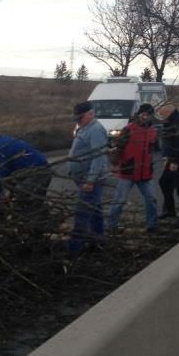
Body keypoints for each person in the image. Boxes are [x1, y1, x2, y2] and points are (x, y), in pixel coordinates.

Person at [106, 103, 158, 233]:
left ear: (151, 116)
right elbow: (118, 148)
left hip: (145, 173)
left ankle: (151, 226)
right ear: (139, 114)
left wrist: (150, 162)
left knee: (151, 199)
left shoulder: (152, 130)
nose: (145, 117)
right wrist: (115, 164)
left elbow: (152, 149)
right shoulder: (129, 128)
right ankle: (111, 227)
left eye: (148, 115)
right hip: (127, 171)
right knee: (118, 200)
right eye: (143, 114)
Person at [67, 101, 109, 252]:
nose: (78, 120)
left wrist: (90, 180)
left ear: (91, 114)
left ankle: (74, 248)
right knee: (95, 211)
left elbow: (99, 157)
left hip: (90, 180)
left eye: (81, 117)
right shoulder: (83, 128)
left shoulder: (96, 130)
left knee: (82, 212)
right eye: (77, 118)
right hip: (82, 178)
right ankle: (97, 241)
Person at [0, 124, 50, 210]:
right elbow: (7, 173)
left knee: (21, 200)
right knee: (33, 203)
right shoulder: (7, 140)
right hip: (43, 168)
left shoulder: (0, 150)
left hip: (37, 173)